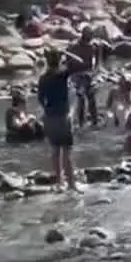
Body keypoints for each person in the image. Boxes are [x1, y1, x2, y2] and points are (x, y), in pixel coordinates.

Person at [37, 47, 82, 190]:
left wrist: (47, 110)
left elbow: (40, 98)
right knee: (67, 152)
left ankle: (59, 182)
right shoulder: (62, 74)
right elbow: (80, 63)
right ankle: (71, 184)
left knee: (55, 151)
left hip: (49, 117)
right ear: (59, 60)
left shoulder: (43, 78)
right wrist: (67, 53)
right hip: (63, 116)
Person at [71, 28, 102, 130]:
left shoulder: (94, 47)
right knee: (81, 98)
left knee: (91, 97)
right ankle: (81, 123)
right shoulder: (75, 46)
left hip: (89, 74)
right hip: (78, 75)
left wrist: (94, 74)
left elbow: (98, 63)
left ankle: (94, 121)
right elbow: (70, 62)